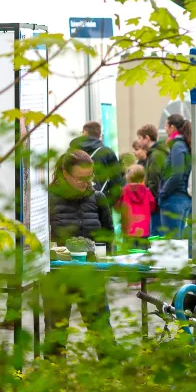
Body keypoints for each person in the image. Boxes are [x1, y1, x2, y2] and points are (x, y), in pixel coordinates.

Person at [43, 150, 114, 354]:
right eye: (79, 178)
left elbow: (108, 236)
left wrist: (103, 262)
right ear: (65, 173)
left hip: (91, 274)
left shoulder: (97, 198)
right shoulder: (48, 198)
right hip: (58, 276)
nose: (85, 182)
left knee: (102, 331)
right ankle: (54, 379)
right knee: (55, 335)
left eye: (89, 177)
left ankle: (113, 377)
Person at [157, 113, 193, 236]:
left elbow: (177, 174)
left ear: (172, 127)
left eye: (166, 126)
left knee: (172, 242)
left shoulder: (177, 146)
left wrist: (163, 193)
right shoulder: (185, 144)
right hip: (182, 199)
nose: (165, 129)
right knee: (178, 241)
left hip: (174, 199)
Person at [70, 121, 122, 204]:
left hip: (75, 200)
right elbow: (116, 180)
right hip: (100, 200)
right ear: (99, 135)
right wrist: (109, 202)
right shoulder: (107, 152)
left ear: (85, 133)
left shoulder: (72, 151)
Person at [116, 164, 155, 240]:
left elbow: (117, 207)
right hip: (143, 230)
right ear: (143, 177)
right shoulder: (147, 191)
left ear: (127, 177)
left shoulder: (124, 191)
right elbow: (152, 206)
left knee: (129, 251)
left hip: (128, 229)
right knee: (143, 251)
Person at [137, 123, 165, 234]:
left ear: (147, 138)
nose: (138, 141)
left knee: (156, 235)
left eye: (140, 138)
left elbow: (154, 179)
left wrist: (150, 201)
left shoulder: (155, 155)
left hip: (156, 204)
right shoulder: (157, 153)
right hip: (158, 202)